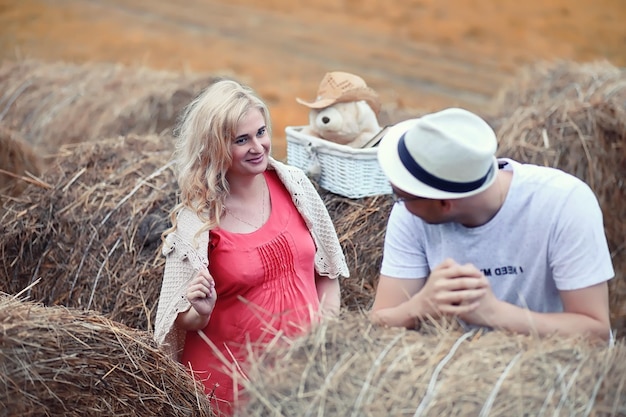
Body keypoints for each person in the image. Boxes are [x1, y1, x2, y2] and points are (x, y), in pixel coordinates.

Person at [154, 79, 349, 414]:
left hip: (299, 382)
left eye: (261, 132)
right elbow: (177, 321)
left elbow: (328, 272)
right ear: (215, 148)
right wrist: (199, 310)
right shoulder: (197, 220)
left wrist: (322, 339)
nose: (257, 146)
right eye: (241, 140)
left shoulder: (294, 186)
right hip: (227, 391)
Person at [369, 107, 614, 341]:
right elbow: (377, 322)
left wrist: (493, 313)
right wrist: (419, 307)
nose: (398, 203)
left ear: (445, 204)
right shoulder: (410, 215)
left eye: (400, 196)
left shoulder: (564, 202)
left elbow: (595, 332)